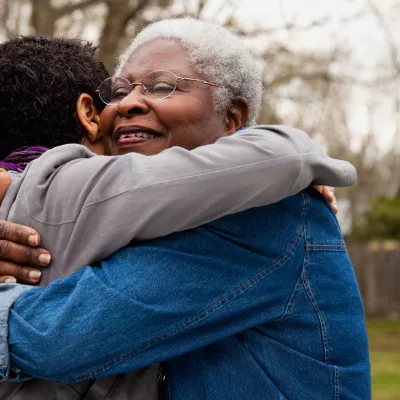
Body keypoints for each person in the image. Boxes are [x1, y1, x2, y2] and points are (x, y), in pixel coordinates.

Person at [0, 19, 369, 400]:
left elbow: (55, 338)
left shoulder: (269, 210)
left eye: (163, 86)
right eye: (120, 91)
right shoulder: (145, 217)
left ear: (232, 118)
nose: (128, 103)